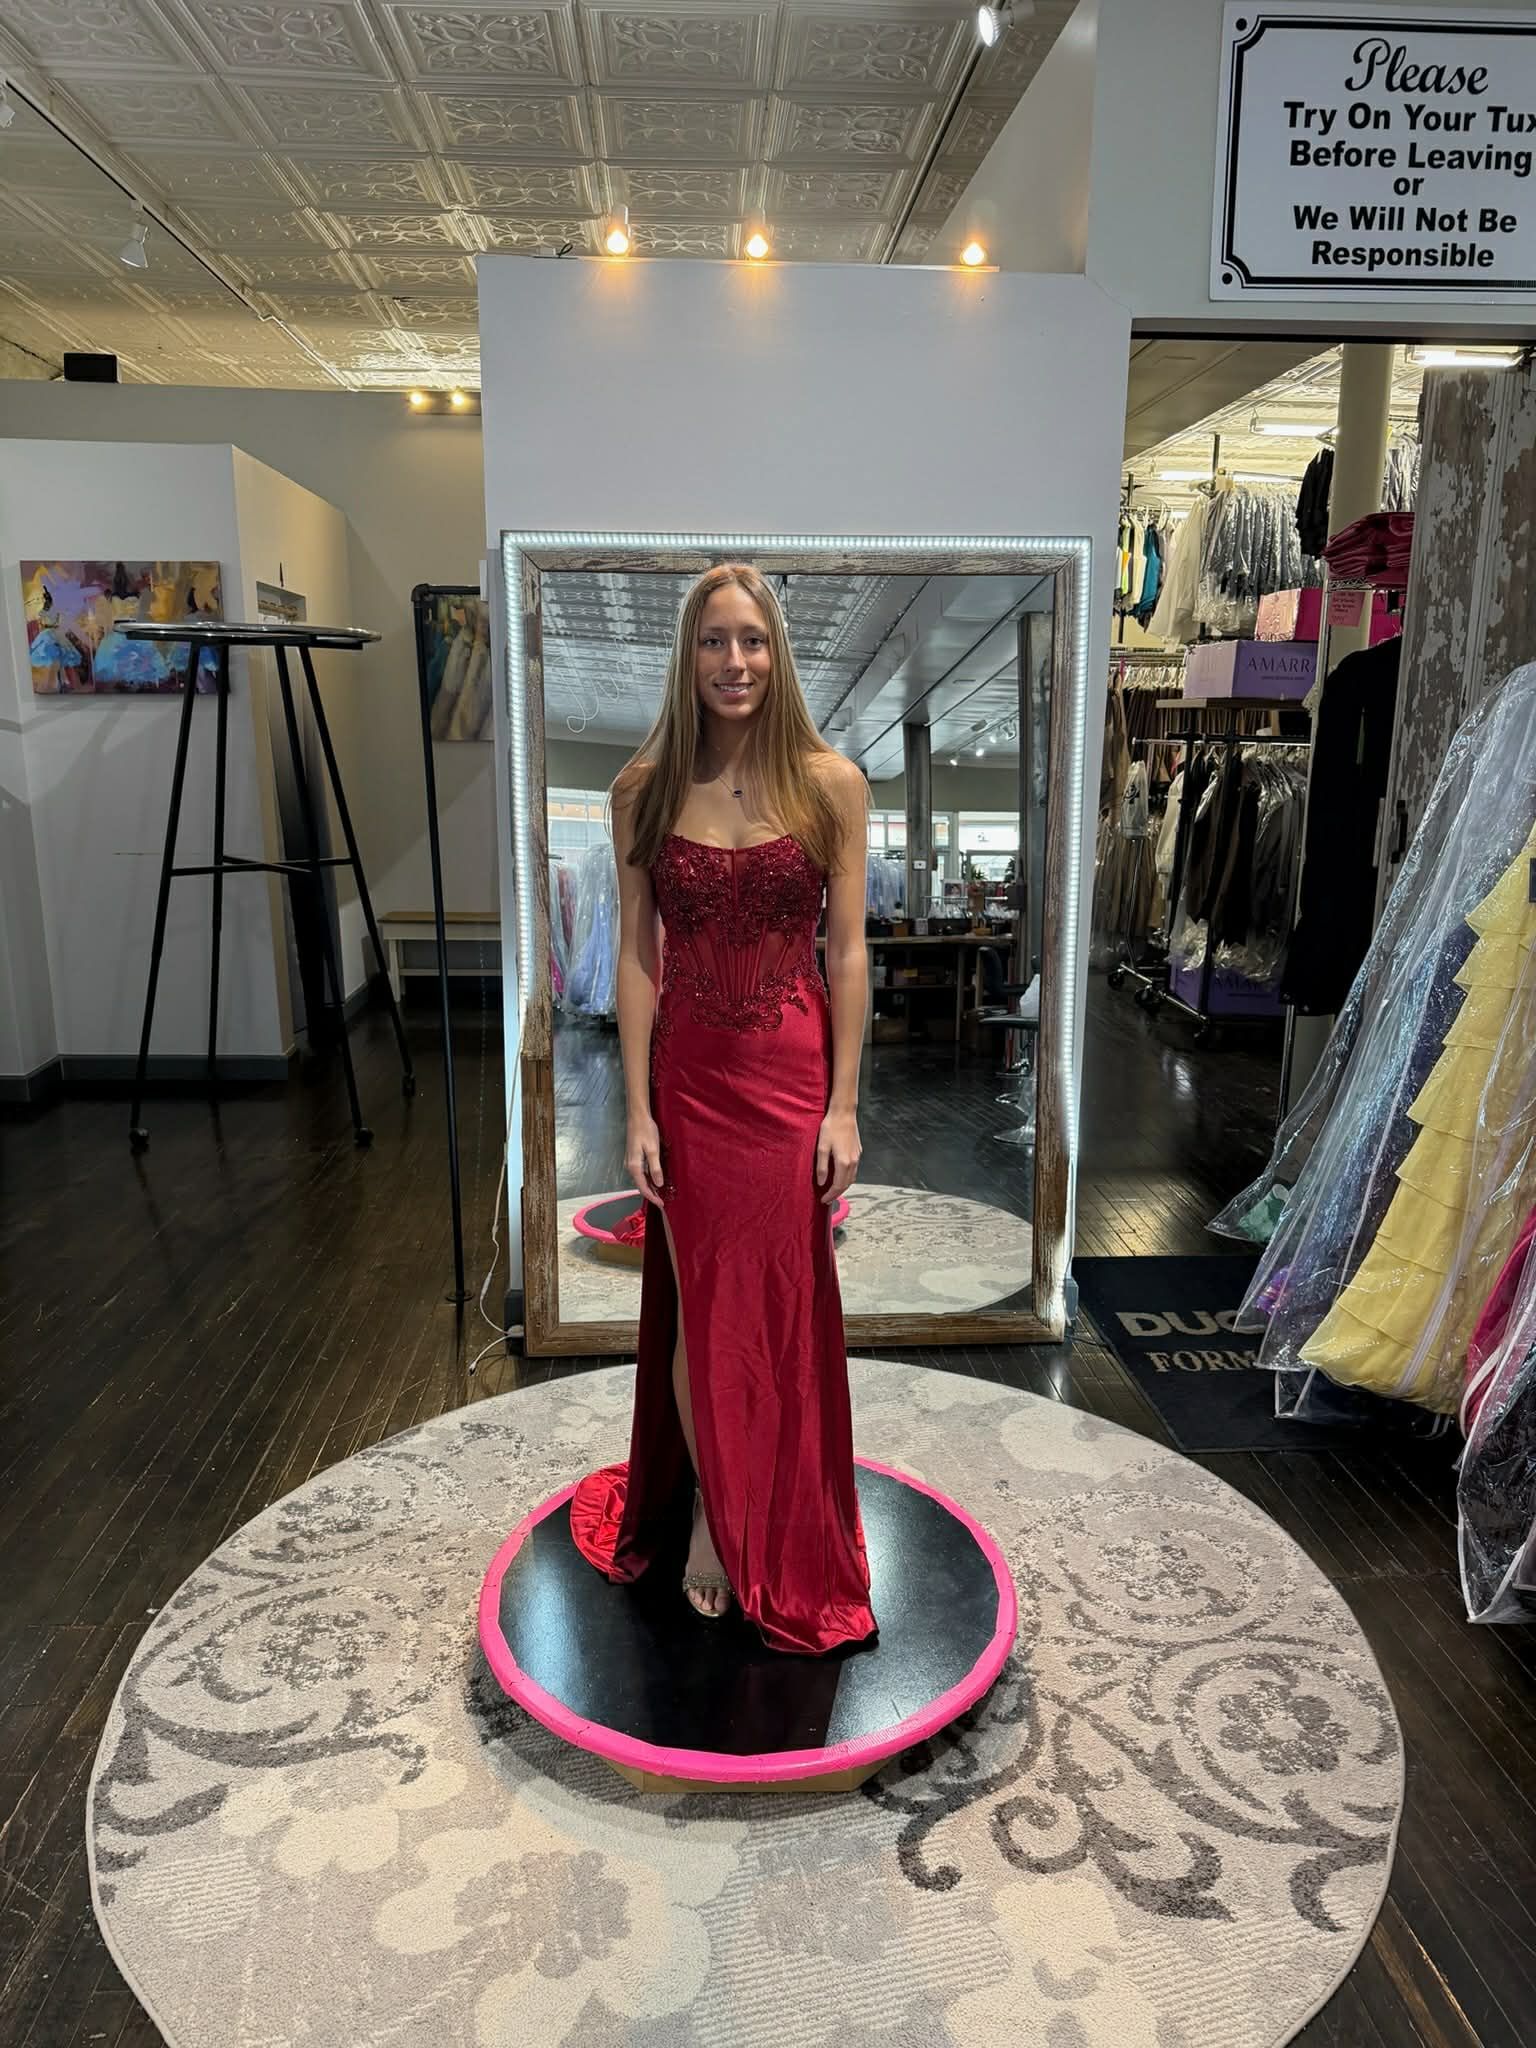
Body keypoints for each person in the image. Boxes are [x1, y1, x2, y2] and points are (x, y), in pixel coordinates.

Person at [568, 564, 878, 1656]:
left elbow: (846, 952)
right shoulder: (644, 787)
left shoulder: (830, 783)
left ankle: (781, 1497)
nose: (734, 662)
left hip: (790, 1081)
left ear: (776, 651)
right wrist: (638, 1108)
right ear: (688, 657)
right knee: (705, 1310)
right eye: (714, 643)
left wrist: (843, 1104)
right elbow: (640, 958)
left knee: (781, 1308)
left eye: (751, 640)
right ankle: (710, 1503)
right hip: (695, 1088)